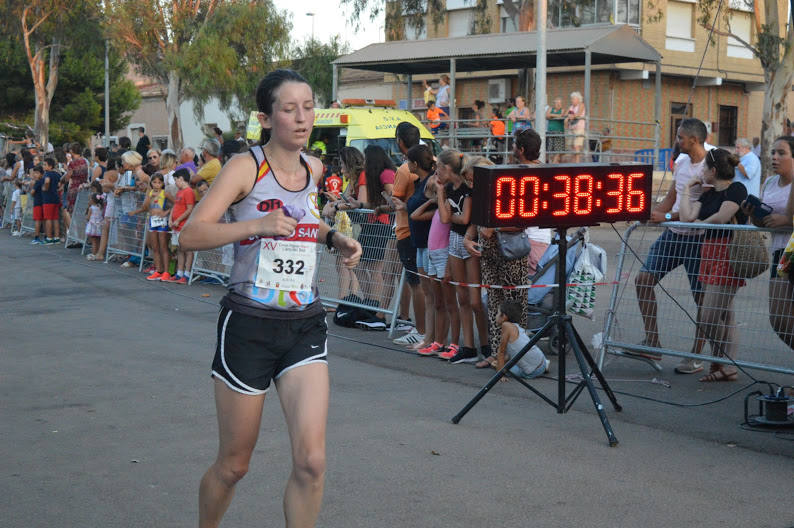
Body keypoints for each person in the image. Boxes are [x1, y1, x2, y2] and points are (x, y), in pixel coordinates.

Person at [181, 69, 361, 528]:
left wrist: (332, 240)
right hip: (249, 326)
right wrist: (256, 226)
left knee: (312, 462)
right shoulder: (245, 167)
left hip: (304, 324)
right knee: (234, 466)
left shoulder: (314, 167)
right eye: (289, 109)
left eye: (308, 107)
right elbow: (190, 234)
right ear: (266, 117)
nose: (302, 118)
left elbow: (302, 221)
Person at [633, 118, 710, 373]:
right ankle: (652, 342)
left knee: (703, 298)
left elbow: (706, 207)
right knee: (643, 279)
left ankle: (696, 355)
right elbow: (673, 196)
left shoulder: (711, 163)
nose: (676, 142)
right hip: (674, 235)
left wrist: (665, 216)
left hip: (699, 239)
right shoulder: (681, 162)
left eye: (679, 138)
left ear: (694, 140)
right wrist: (654, 213)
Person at [678, 148, 748, 382]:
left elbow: (722, 216)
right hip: (709, 253)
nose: (703, 172)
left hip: (728, 254)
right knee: (725, 314)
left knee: (708, 317)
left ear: (714, 170)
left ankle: (725, 361)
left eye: (705, 168)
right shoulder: (707, 195)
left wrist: (701, 223)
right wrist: (688, 189)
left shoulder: (736, 189)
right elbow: (686, 218)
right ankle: (726, 365)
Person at [437, 150, 490, 364]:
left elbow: (465, 217)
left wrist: (453, 217)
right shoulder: (450, 188)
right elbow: (444, 217)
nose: (436, 172)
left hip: (471, 240)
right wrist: (441, 193)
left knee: (476, 300)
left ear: (449, 168)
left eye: (439, 168)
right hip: (455, 240)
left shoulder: (469, 190)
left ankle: (485, 344)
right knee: (462, 297)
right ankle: (468, 346)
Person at [747, 136, 794, 349]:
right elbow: (764, 222)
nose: (774, 157)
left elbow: (785, 219)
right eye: (773, 152)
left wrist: (786, 221)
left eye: (781, 153)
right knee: (779, 320)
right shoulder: (769, 182)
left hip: (792, 250)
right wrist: (755, 215)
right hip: (780, 253)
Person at [383, 122, 426, 347]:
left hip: (407, 230)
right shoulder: (431, 163)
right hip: (424, 230)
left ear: (400, 141)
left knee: (416, 283)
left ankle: (421, 331)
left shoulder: (404, 169)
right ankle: (426, 331)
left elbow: (396, 202)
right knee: (424, 284)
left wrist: (385, 202)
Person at [349, 144, 396, 330]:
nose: (365, 163)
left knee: (376, 267)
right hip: (375, 221)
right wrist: (359, 204)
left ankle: (375, 305)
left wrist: (381, 206)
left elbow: (393, 200)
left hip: (382, 223)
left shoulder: (385, 174)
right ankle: (371, 302)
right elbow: (377, 202)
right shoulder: (379, 175)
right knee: (363, 263)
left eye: (367, 159)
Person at [398, 144, 438, 352]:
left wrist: (419, 213)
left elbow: (439, 206)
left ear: (415, 164)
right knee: (428, 294)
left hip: (430, 242)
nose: (406, 165)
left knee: (433, 294)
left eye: (408, 162)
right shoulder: (419, 181)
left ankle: (435, 338)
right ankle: (428, 337)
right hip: (419, 242)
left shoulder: (431, 181)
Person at [411, 172, 451, 357]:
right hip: (428, 250)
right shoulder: (433, 206)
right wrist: (431, 200)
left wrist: (439, 199)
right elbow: (414, 214)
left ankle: (441, 341)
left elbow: (445, 219)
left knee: (443, 301)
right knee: (433, 298)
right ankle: (432, 339)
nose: (435, 177)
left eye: (438, 174)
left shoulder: (442, 208)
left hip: (439, 253)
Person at [513, 129, 551, 275]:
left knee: (528, 292)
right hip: (542, 240)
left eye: (515, 146)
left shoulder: (526, 177)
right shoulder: (545, 171)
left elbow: (522, 218)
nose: (513, 149)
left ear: (521, 150)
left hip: (531, 242)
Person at [485, 300, 550, 379]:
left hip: (533, 372)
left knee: (500, 367)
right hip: (542, 360)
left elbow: (501, 352)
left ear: (504, 316)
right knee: (505, 362)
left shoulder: (506, 325)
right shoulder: (516, 326)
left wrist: (500, 374)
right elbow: (512, 352)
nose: (496, 316)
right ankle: (544, 366)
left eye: (498, 313)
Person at [129, 173, 172, 282]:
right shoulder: (150, 193)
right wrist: (149, 198)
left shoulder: (165, 193)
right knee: (155, 247)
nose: (157, 185)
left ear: (162, 183)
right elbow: (146, 207)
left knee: (163, 247)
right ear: (151, 183)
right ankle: (158, 270)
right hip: (153, 221)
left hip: (162, 222)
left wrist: (166, 212)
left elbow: (177, 203)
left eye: (159, 182)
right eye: (154, 182)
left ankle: (166, 272)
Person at [167, 169, 195, 284]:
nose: (175, 183)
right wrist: (170, 218)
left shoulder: (188, 191)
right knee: (179, 250)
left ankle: (187, 274)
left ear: (181, 179)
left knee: (187, 250)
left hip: (183, 226)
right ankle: (179, 273)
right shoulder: (180, 191)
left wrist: (178, 220)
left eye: (175, 180)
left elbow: (190, 209)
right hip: (176, 226)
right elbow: (175, 206)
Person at [62, 142, 89, 231]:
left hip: (74, 188)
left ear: (72, 151)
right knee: (81, 212)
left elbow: (67, 177)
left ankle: (74, 234)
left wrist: (65, 173)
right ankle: (82, 234)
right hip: (83, 187)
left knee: (71, 212)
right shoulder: (84, 161)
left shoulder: (73, 163)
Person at [41, 157, 62, 244]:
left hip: (48, 199)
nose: (43, 166)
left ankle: (49, 238)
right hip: (55, 198)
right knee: (55, 219)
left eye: (45, 164)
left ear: (50, 166)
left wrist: (45, 188)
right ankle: (57, 238)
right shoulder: (57, 174)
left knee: (48, 218)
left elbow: (47, 181)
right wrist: (58, 189)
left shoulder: (47, 174)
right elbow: (61, 183)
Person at [564, 91, 586, 163]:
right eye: (571, 99)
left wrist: (570, 117)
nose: (572, 100)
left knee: (577, 146)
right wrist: (567, 117)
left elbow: (578, 113)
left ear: (578, 99)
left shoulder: (581, 105)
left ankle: (577, 163)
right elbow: (565, 114)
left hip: (579, 128)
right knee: (572, 147)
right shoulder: (571, 106)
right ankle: (573, 163)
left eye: (573, 99)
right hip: (572, 128)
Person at [84, 191, 105, 257]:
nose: (89, 200)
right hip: (99, 226)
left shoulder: (91, 208)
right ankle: (98, 253)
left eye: (90, 199)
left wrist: (86, 218)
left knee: (93, 241)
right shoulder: (101, 208)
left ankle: (93, 253)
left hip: (93, 226)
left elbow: (88, 218)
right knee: (98, 240)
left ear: (93, 200)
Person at [545, 97, 566, 163]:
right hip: (550, 131)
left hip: (559, 132)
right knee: (549, 149)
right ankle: (550, 162)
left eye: (559, 103)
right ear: (554, 103)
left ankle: (554, 164)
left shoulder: (563, 110)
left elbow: (561, 115)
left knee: (558, 150)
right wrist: (556, 115)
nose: (558, 104)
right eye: (556, 103)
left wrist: (552, 115)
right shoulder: (550, 108)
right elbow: (546, 115)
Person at [29, 165, 45, 245]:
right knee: (43, 220)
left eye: (37, 173)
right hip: (43, 203)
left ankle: (36, 237)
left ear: (41, 174)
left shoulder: (38, 182)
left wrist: (31, 190)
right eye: (34, 173)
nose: (35, 175)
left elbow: (32, 192)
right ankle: (46, 236)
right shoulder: (43, 181)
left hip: (37, 203)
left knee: (38, 220)